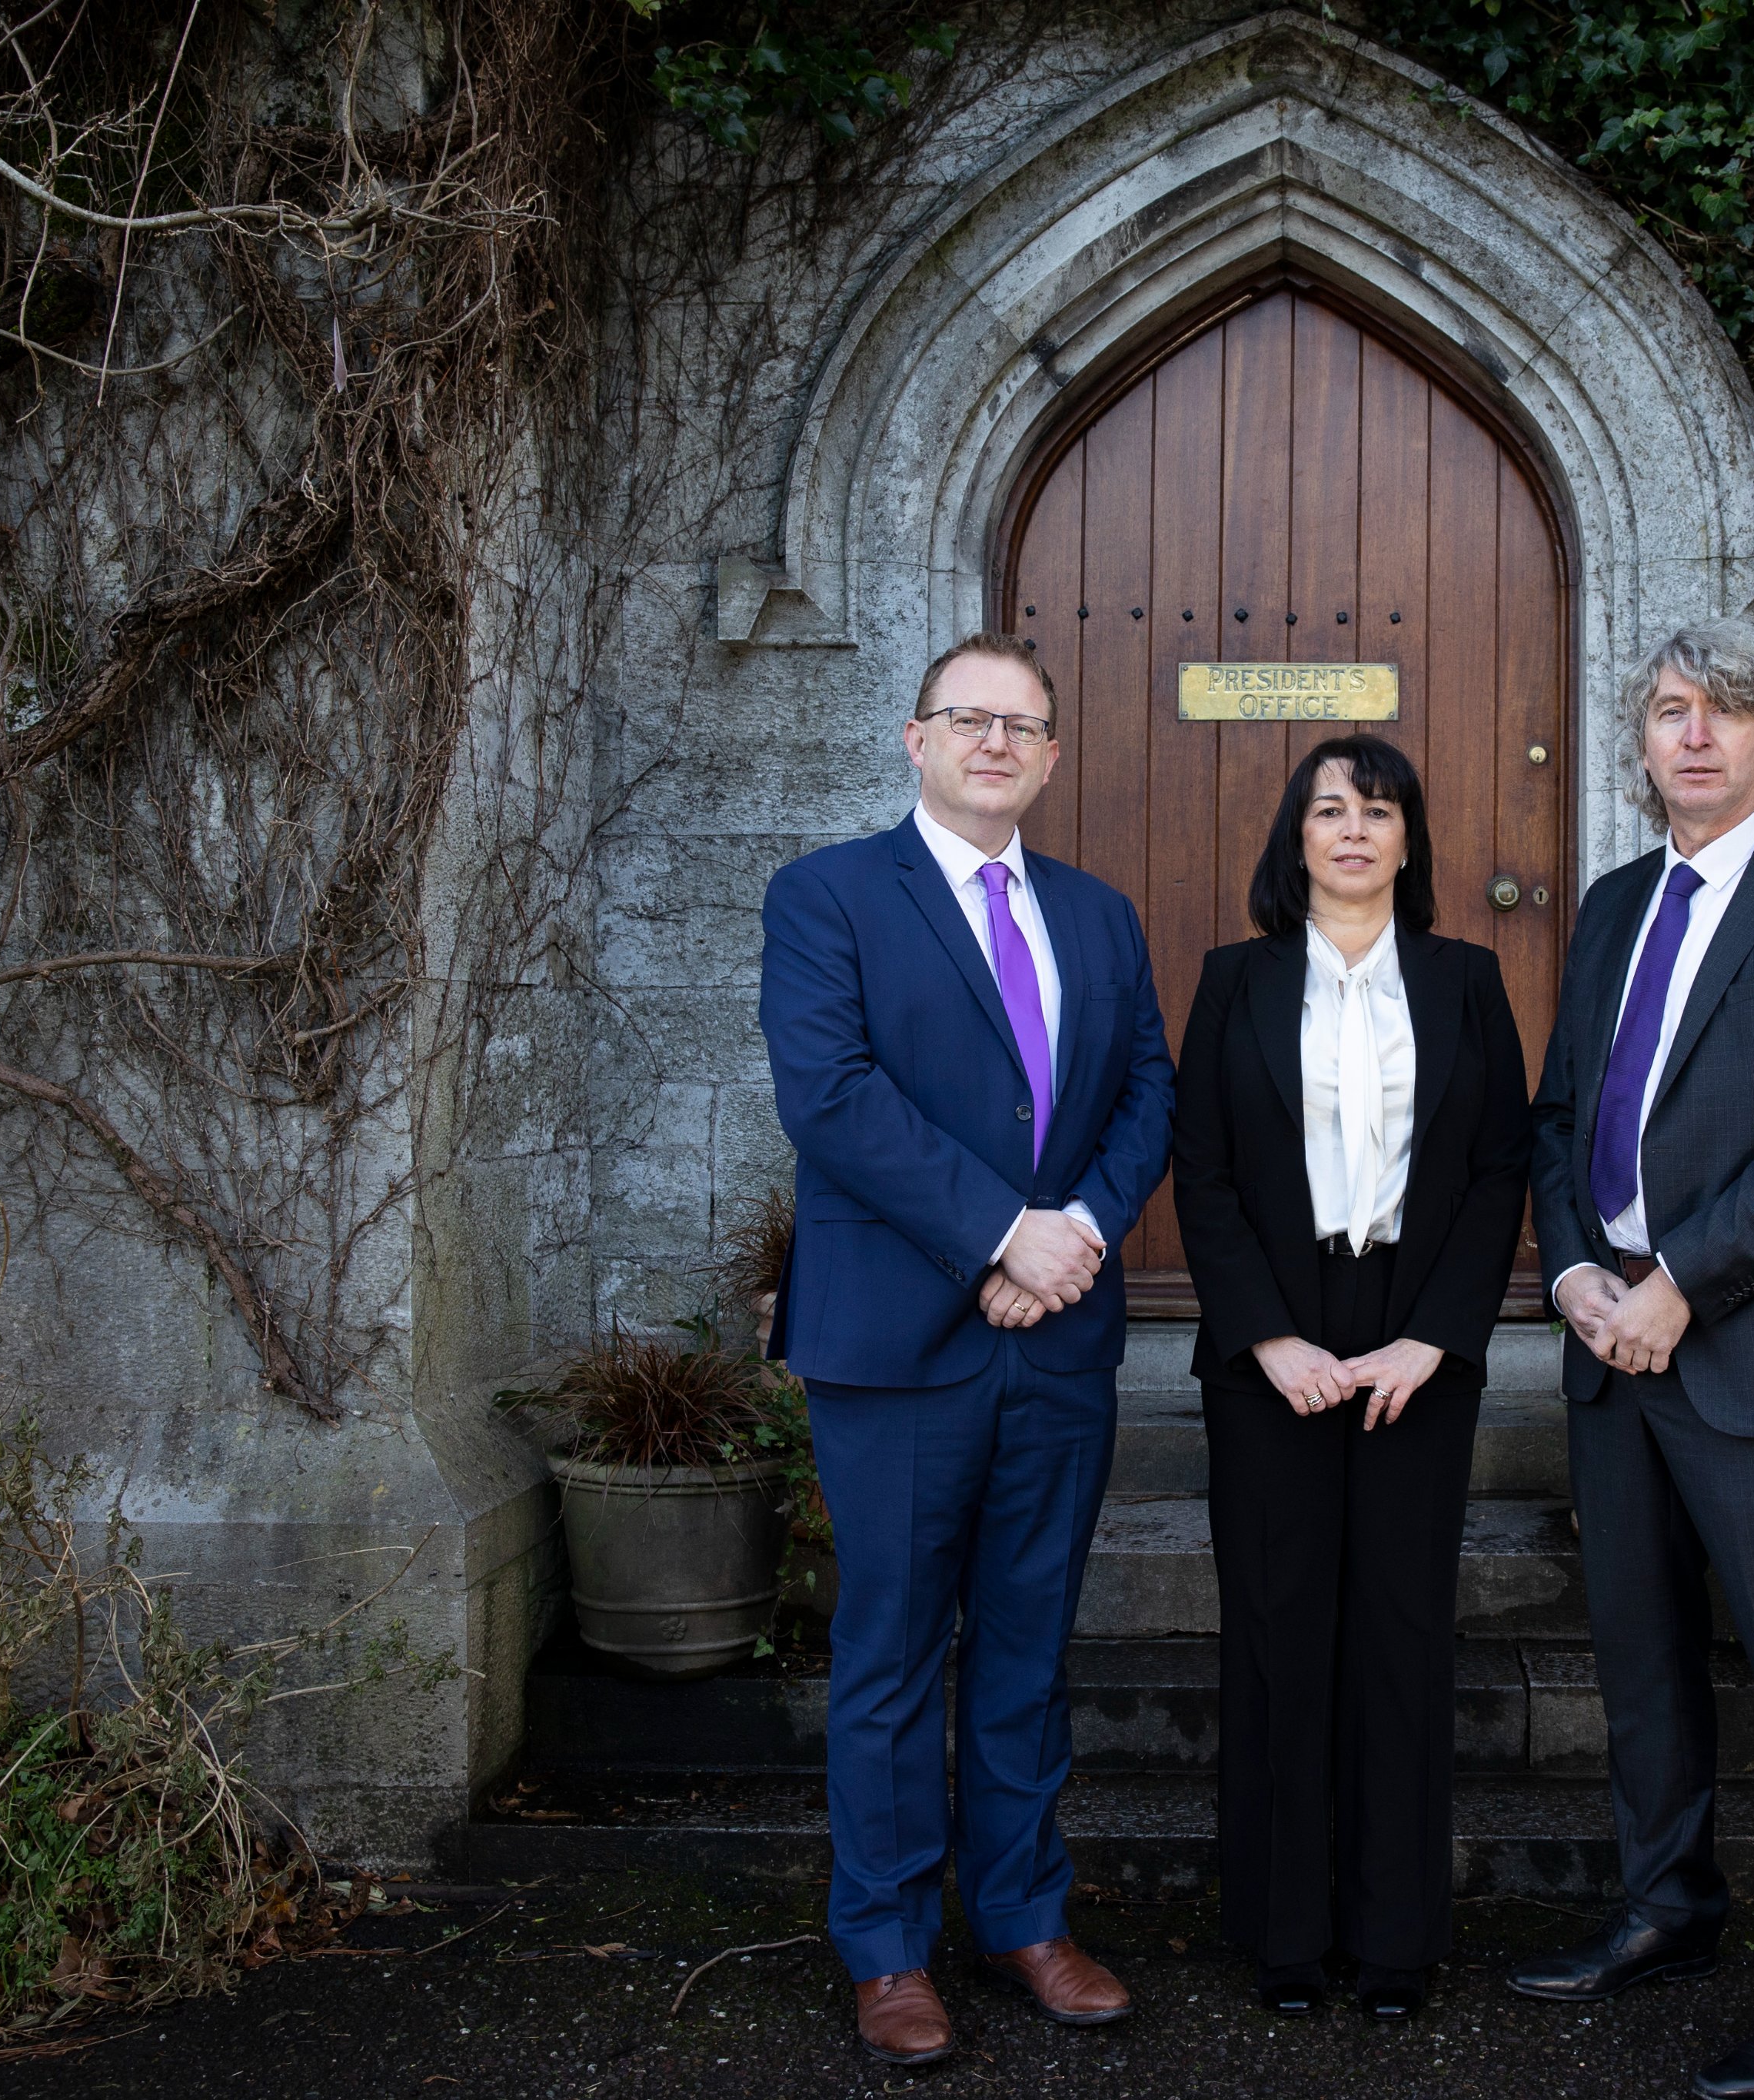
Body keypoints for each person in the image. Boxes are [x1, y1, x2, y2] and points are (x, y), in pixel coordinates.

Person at [1509, 621, 1754, 2100]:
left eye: (1728, 712)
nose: (1697, 735)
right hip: (1612, 1348)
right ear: (1640, 743)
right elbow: (1559, 1118)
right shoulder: (1617, 905)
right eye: (1672, 711)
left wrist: (1679, 1280)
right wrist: (1573, 1271)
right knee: (1644, 1662)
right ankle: (1670, 1909)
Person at [760, 632, 1175, 2069]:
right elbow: (831, 1095)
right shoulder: (826, 898)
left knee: (1026, 1647)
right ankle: (885, 1947)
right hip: (897, 1345)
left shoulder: (1099, 916)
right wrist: (1005, 1232)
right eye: (968, 718)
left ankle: (1023, 1917)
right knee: (887, 1654)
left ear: (1053, 757)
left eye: (1024, 725)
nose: (996, 741)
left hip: (1056, 1346)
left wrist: (1077, 1239)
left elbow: (1144, 1096)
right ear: (915, 739)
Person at [1170, 734, 1533, 2021]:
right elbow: (1200, 1174)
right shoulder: (1234, 982)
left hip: (1414, 1332)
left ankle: (1393, 1940)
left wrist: (1435, 1337)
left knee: (1399, 1631)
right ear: (1297, 838)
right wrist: (1269, 1339)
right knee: (1278, 1630)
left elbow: (1501, 1171)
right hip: (1272, 1330)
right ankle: (1284, 1937)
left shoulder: (1467, 980)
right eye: (1330, 809)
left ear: (1410, 839)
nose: (1356, 829)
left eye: (1379, 809)